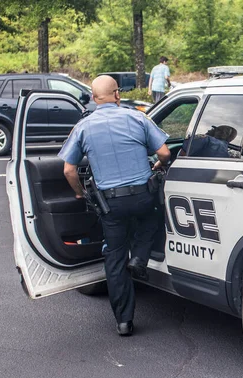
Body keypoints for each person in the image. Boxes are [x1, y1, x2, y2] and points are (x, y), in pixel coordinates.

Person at [58, 75, 170, 337]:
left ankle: (124, 321)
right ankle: (141, 258)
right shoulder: (138, 118)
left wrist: (81, 194)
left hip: (111, 205)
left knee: (115, 257)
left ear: (94, 99)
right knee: (152, 218)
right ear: (117, 94)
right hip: (143, 196)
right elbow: (164, 153)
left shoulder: (83, 127)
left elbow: (69, 170)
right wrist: (157, 165)